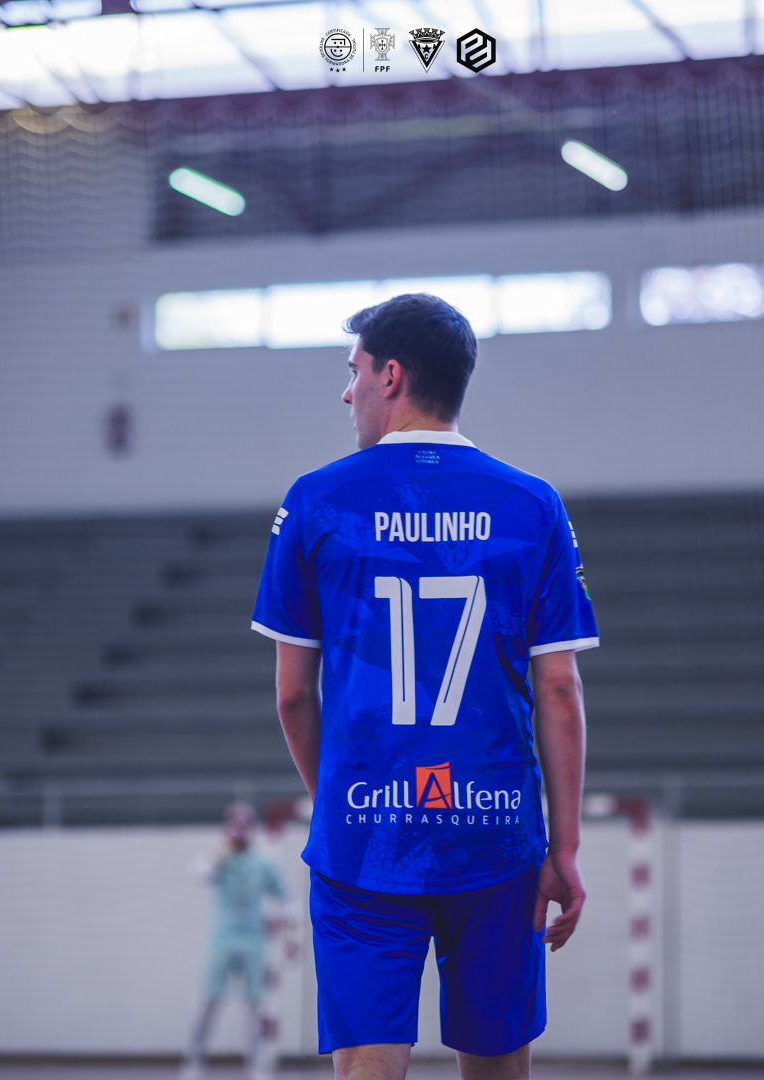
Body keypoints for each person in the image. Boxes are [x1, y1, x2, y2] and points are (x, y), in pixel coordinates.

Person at [251, 293, 599, 1080]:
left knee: (368, 1067)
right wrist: (565, 847)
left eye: (354, 371)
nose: (347, 392)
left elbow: (293, 697)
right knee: (499, 1067)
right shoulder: (533, 503)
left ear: (391, 376)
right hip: (496, 830)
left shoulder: (314, 500)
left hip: (365, 833)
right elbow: (560, 692)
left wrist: (344, 801)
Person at [180, 801, 292, 1080]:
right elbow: (198, 873)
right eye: (235, 825)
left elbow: (285, 895)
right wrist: (222, 850)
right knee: (208, 1002)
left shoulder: (263, 863)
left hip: (253, 942)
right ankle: (194, 1061)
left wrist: (290, 927)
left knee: (255, 1005)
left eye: (245, 825)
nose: (240, 831)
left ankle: (257, 1064)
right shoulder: (220, 859)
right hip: (222, 941)